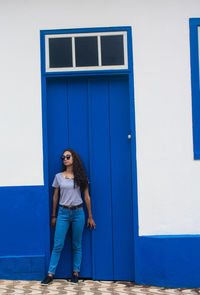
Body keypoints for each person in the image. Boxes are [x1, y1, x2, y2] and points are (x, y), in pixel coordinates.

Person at [41, 148, 96, 285]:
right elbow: (55, 197)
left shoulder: (82, 177)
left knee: (76, 244)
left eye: (67, 156)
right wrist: (53, 216)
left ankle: (75, 274)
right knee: (58, 244)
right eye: (63, 157)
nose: (65, 159)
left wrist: (90, 216)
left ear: (74, 158)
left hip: (78, 213)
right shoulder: (58, 176)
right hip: (63, 213)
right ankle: (50, 274)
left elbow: (87, 197)